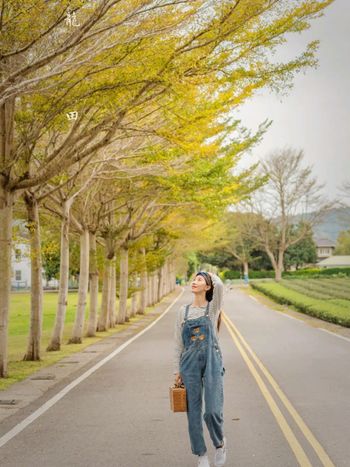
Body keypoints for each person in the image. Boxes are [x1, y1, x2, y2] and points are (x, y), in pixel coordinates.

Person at [174, 271, 226, 467]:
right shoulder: (182, 312)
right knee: (193, 413)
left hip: (212, 362)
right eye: (194, 279)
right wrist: (176, 371)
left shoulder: (213, 310)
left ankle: (220, 443)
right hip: (188, 364)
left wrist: (209, 274)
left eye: (199, 280)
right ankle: (201, 455)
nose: (194, 282)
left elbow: (220, 286)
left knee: (212, 411)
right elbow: (178, 345)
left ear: (208, 287)